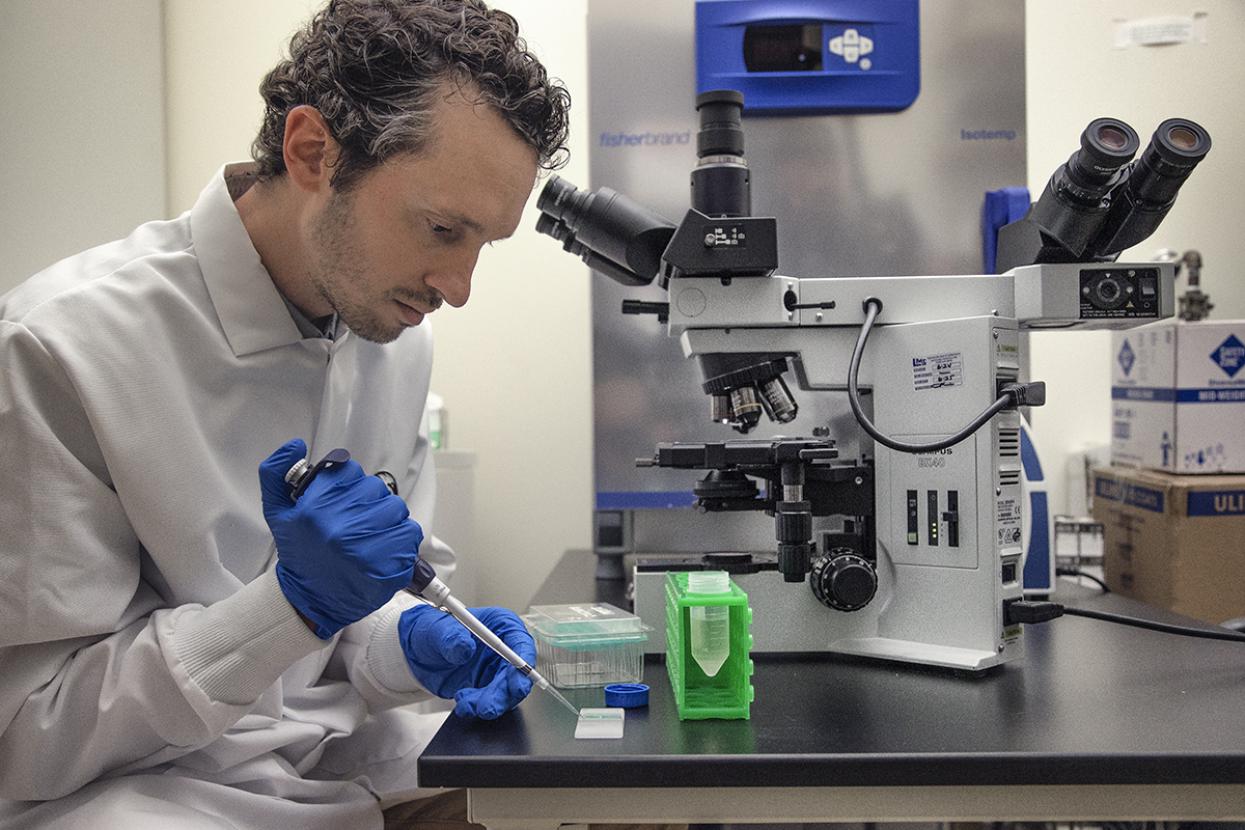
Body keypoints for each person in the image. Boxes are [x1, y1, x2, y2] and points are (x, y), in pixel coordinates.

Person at [0, 1, 572, 827]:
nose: (458, 287)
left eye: (482, 244)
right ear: (313, 152)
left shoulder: (392, 336)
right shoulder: (62, 346)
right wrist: (287, 607)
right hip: (148, 800)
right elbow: (28, 735)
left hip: (338, 773)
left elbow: (363, 620)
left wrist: (408, 643)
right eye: (442, 228)